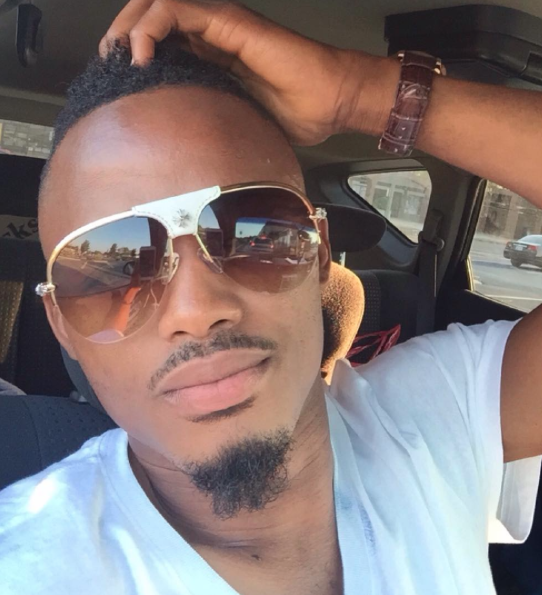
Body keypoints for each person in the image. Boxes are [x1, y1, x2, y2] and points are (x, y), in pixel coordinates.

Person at [1, 1, 542, 594]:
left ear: (320, 256)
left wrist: (357, 91)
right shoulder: (29, 565)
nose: (196, 310)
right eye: (115, 267)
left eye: (251, 232)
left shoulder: (434, 416)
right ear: (60, 322)